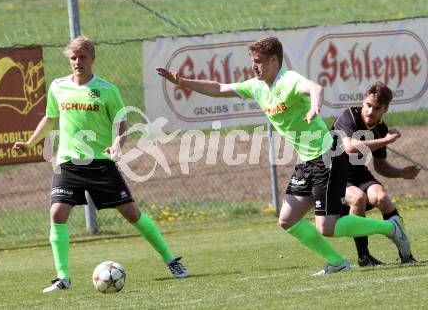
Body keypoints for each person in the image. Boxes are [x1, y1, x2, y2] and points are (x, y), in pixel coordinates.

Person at [156, 37, 412, 275]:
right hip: (307, 162)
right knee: (287, 220)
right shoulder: (256, 87)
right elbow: (219, 87)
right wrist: (181, 81)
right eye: (253, 62)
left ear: (274, 61)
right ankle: (337, 262)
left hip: (327, 157)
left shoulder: (288, 80)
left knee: (327, 227)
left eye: (258, 62)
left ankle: (391, 228)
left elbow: (315, 87)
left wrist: (314, 106)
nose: (254, 67)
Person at [13, 36, 189, 293]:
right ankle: (63, 278)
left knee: (131, 214)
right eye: (73, 58)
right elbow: (50, 119)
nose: (77, 62)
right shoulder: (58, 87)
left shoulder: (107, 90)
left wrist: (118, 144)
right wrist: (30, 143)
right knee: (57, 213)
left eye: (82, 57)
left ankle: (171, 260)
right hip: (68, 162)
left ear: (92, 59)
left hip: (100, 162)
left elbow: (122, 125)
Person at [332, 81, 420, 267]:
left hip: (357, 174)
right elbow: (349, 148)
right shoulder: (349, 116)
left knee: (381, 198)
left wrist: (400, 173)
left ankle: (406, 254)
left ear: (385, 109)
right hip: (332, 173)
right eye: (368, 105)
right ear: (363, 102)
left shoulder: (381, 129)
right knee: (358, 198)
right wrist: (384, 140)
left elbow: (380, 167)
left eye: (376, 108)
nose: (370, 111)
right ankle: (364, 257)